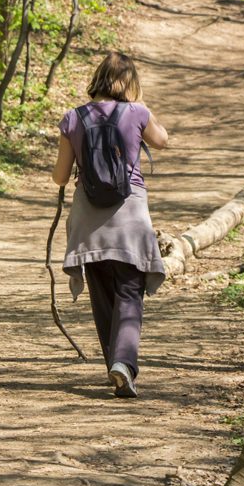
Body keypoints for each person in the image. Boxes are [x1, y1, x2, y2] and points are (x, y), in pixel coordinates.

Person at [52, 51, 168, 398]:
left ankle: (117, 367)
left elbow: (60, 177)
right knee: (130, 292)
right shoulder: (136, 112)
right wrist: (141, 104)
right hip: (129, 214)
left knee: (103, 296)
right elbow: (162, 140)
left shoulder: (73, 118)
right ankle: (123, 363)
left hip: (89, 220)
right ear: (128, 83)